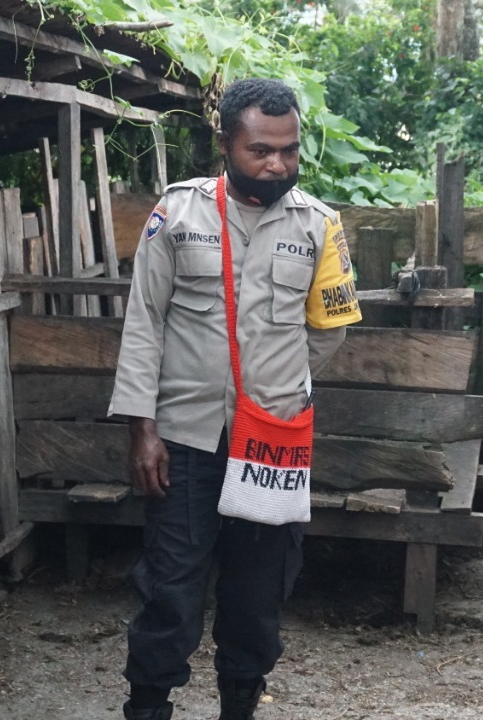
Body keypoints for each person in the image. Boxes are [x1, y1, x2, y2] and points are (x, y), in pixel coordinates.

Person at [107, 78, 362, 720]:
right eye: (261, 150)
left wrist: (279, 385)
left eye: (289, 151)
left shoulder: (320, 227)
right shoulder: (180, 212)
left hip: (272, 443)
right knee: (170, 588)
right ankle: (148, 705)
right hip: (184, 439)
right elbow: (144, 320)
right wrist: (142, 427)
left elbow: (330, 327)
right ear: (224, 144)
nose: (278, 164)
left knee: (258, 596)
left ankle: (240, 706)